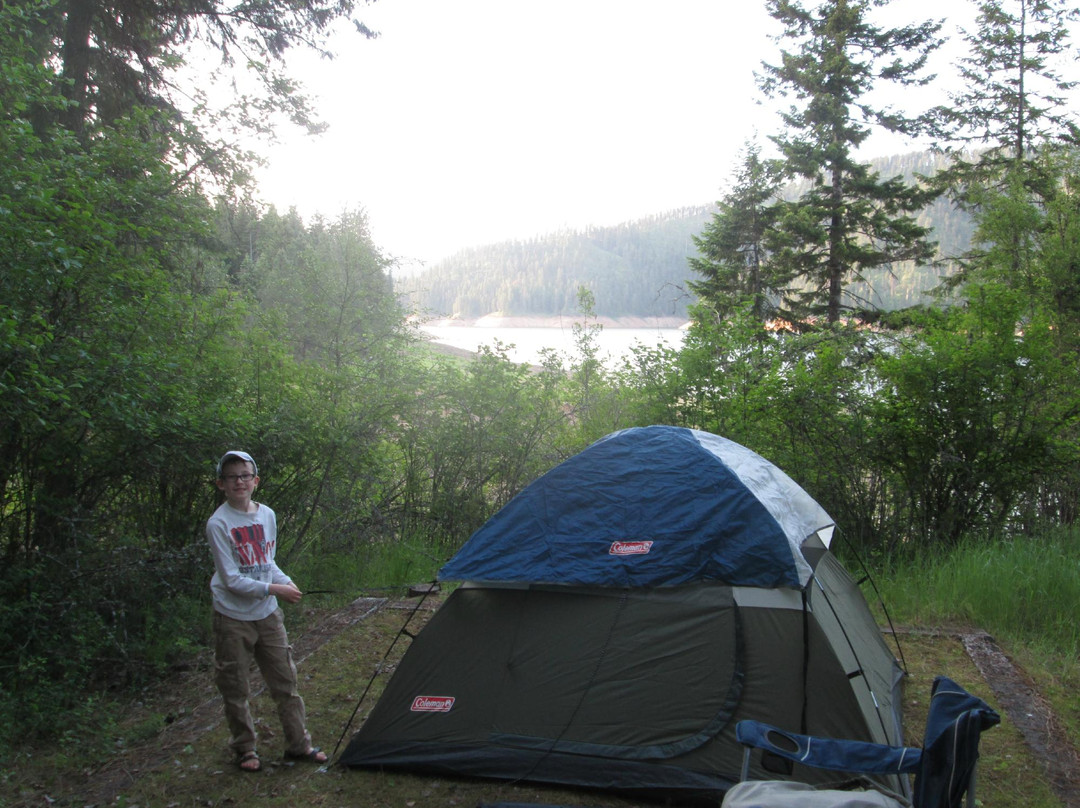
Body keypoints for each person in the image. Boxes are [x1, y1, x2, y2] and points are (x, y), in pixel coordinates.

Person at [206, 450, 328, 772]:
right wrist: (277, 590)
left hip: (268, 614)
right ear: (222, 483)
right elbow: (231, 579)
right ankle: (245, 750)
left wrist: (286, 582)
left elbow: (266, 560)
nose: (239, 481)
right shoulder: (218, 523)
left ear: (255, 481)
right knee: (235, 687)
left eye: (245, 475)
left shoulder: (267, 515)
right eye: (232, 477)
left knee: (286, 681)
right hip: (232, 616)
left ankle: (299, 746)